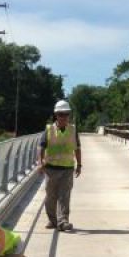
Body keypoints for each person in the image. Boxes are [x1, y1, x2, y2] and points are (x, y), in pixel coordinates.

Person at [39, 99, 82, 231]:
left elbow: (77, 148)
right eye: (60, 114)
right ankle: (52, 220)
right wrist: (40, 163)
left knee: (64, 195)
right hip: (51, 168)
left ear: (69, 115)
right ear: (56, 115)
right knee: (50, 196)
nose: (63, 117)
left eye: (66, 114)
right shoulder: (49, 129)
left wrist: (79, 164)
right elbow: (41, 147)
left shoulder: (72, 130)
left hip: (67, 168)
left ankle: (63, 221)